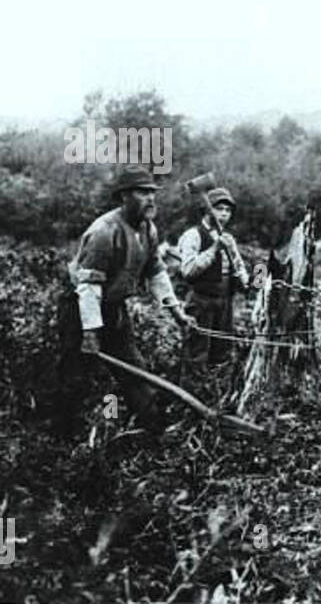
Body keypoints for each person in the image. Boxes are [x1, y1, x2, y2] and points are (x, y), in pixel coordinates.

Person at [58, 166, 196, 435]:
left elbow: (156, 273)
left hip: (113, 308)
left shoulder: (148, 229)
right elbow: (88, 287)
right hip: (80, 310)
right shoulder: (104, 232)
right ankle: (63, 438)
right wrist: (90, 332)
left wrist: (177, 312)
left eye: (152, 193)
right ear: (124, 196)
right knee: (76, 375)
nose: (151, 199)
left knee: (135, 370)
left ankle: (153, 430)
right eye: (142, 193)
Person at [176, 187, 249, 367]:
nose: (224, 214)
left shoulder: (228, 238)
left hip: (225, 301)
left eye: (228, 210)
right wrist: (214, 248)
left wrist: (246, 282)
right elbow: (188, 271)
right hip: (201, 301)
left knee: (222, 352)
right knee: (197, 353)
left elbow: (239, 265)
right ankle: (190, 393)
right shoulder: (193, 235)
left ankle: (217, 392)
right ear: (208, 210)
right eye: (219, 209)